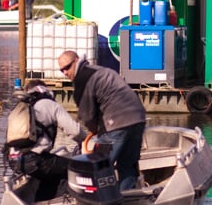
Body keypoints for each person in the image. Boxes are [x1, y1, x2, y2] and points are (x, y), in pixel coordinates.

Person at [58, 50, 147, 190]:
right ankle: (128, 198)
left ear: (76, 60)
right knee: (128, 165)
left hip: (116, 123)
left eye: (67, 67)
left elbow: (87, 115)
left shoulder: (82, 79)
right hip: (138, 118)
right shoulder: (99, 70)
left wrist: (94, 130)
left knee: (99, 166)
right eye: (61, 70)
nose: (65, 72)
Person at [8, 79, 87, 200]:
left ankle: (39, 203)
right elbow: (75, 131)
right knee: (73, 168)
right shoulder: (50, 104)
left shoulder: (22, 106)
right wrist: (85, 140)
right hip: (35, 160)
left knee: (49, 172)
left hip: (14, 161)